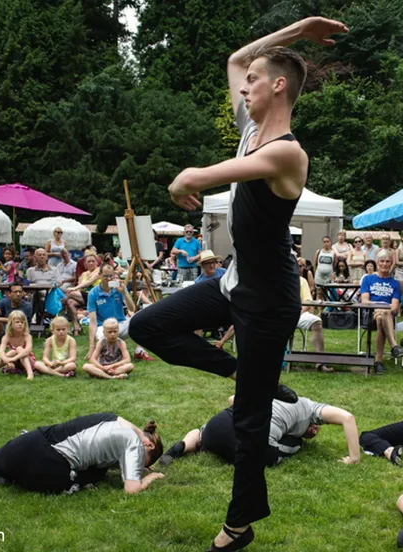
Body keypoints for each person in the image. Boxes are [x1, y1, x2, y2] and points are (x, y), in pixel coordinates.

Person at [128, 17, 348, 551]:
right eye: (246, 80)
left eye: (255, 79)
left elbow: (202, 178)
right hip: (234, 282)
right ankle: (250, 374)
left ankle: (239, 524)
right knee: (147, 325)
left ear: (277, 87)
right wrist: (298, 31)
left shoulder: (288, 153)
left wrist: (188, 174)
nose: (243, 85)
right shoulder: (252, 130)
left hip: (269, 299)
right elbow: (233, 59)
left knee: (248, 424)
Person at [0, 414, 164, 503]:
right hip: (51, 468)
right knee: (97, 475)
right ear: (148, 444)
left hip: (31, 441)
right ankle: (12, 477)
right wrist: (151, 477)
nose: (135, 466)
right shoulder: (134, 443)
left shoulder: (108, 422)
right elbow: (131, 490)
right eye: (142, 462)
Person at [159, 395, 360, 467]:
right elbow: (348, 418)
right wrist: (353, 458)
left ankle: (183, 447)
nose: (314, 432)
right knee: (296, 445)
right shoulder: (312, 409)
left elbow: (232, 399)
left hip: (217, 426)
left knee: (201, 432)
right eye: (315, 429)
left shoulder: (278, 395)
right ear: (316, 421)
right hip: (247, 446)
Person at [361, 251, 403, 375]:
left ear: (391, 264)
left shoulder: (394, 284)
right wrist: (380, 307)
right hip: (370, 315)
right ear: (377, 262)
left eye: (387, 261)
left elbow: (395, 307)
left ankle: (378, 362)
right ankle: (394, 347)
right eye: (382, 261)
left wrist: (383, 310)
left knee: (383, 316)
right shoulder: (368, 279)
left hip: (386, 316)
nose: (384, 264)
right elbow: (365, 301)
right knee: (383, 313)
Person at [87, 264, 140, 356]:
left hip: (120, 325)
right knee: (101, 337)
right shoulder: (93, 293)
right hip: (103, 327)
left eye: (111, 276)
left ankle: (139, 351)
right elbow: (92, 321)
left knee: (139, 319)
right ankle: (111, 353)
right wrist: (91, 347)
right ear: (99, 275)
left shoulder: (119, 288)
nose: (108, 279)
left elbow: (132, 308)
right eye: (105, 276)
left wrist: (124, 293)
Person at [0, 310, 36, 379]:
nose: (20, 324)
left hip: (28, 362)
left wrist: (14, 358)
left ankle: (30, 373)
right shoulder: (6, 337)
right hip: (15, 363)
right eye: (17, 322)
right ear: (11, 324)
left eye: (22, 322)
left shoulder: (27, 336)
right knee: (12, 352)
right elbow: (1, 351)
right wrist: (6, 360)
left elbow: (28, 350)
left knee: (19, 349)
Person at [296, 274, 332, 372]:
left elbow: (307, 301)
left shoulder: (301, 281)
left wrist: (297, 314)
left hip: (298, 313)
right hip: (277, 314)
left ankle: (320, 361)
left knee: (317, 321)